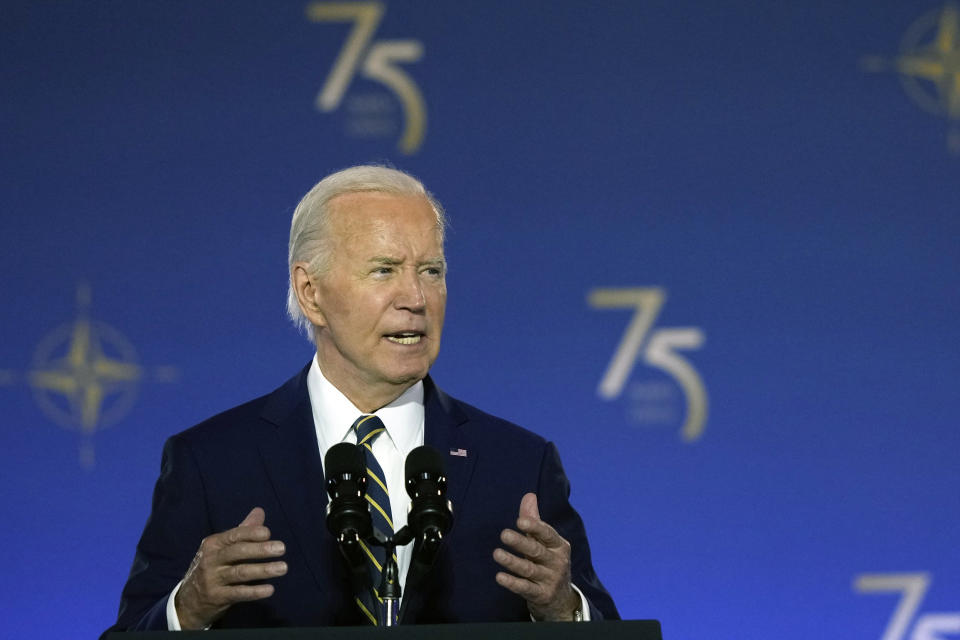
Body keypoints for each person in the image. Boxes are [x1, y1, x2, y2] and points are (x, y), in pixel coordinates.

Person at [105, 166, 618, 632]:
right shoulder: (213, 463)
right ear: (311, 293)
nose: (415, 298)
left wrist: (563, 611)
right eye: (384, 270)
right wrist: (187, 609)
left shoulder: (518, 466)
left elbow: (605, 627)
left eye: (431, 271)